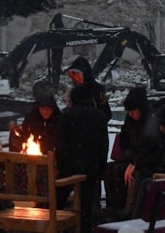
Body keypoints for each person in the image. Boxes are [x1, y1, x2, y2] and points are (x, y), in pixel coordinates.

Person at [55, 83, 109, 233]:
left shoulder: (67, 115)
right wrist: (100, 169)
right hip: (90, 167)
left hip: (69, 166)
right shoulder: (99, 116)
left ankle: (56, 226)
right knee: (86, 204)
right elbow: (103, 146)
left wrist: (61, 163)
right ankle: (83, 229)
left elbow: (60, 142)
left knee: (58, 200)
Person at [103, 87, 162, 220]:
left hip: (148, 161)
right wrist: (131, 158)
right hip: (132, 157)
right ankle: (112, 205)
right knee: (110, 169)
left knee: (134, 176)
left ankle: (129, 211)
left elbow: (154, 148)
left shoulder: (151, 121)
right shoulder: (130, 120)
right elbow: (124, 140)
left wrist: (136, 162)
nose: (131, 114)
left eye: (133, 111)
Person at [66, 56, 111, 121]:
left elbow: (106, 114)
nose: (76, 78)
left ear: (85, 74)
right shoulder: (72, 92)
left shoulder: (97, 89)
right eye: (74, 75)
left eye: (78, 75)